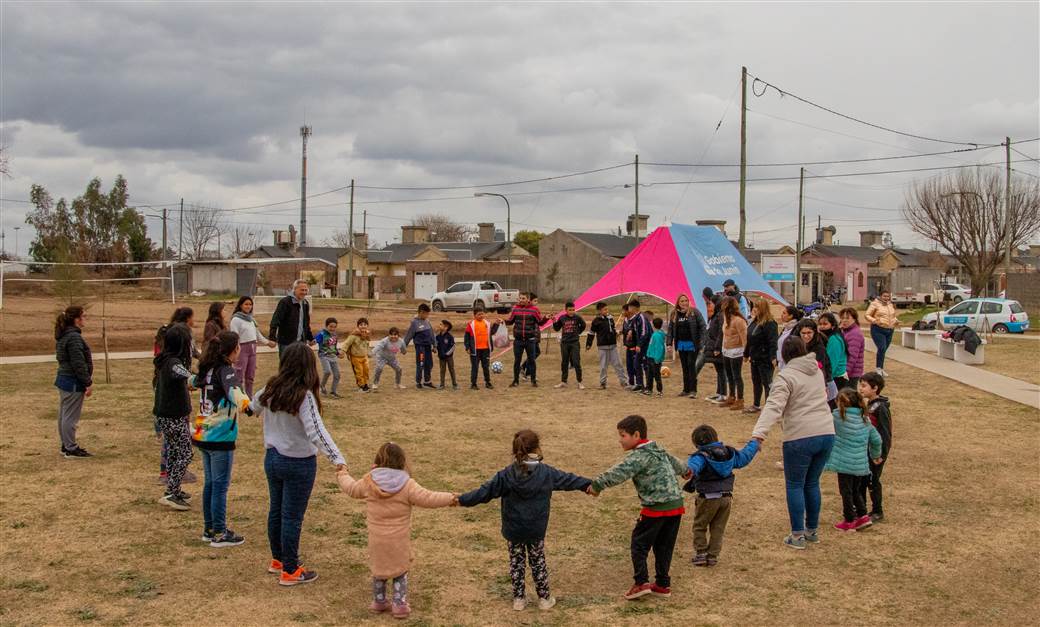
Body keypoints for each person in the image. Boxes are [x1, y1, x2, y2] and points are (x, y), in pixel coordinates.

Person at [458, 429, 591, 611]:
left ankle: (519, 599)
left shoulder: (505, 475)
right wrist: (589, 484)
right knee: (538, 561)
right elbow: (568, 479)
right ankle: (544, 599)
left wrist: (460, 499)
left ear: (515, 451)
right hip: (536, 529)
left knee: (516, 562)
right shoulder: (546, 473)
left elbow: (483, 493)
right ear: (537, 448)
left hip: (514, 529)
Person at [255, 342, 346, 586]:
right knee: (291, 516)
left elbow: (253, 406)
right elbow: (316, 430)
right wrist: (337, 458)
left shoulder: (271, 388)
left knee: (276, 510)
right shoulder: (304, 396)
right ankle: (291, 569)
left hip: (272, 459)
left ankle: (278, 560)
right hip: (298, 464)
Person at [337, 443, 455, 619]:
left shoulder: (369, 481)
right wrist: (451, 498)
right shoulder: (407, 484)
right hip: (399, 540)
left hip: (376, 539)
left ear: (378, 460)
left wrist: (342, 473)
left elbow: (351, 488)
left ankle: (379, 600)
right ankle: (399, 604)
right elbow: (428, 497)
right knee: (400, 571)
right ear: (402, 462)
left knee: (379, 569)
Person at [588, 415, 690, 601]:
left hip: (655, 507)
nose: (620, 439)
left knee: (639, 544)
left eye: (623, 435)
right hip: (676, 506)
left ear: (636, 435)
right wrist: (686, 471)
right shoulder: (658, 449)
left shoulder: (638, 456)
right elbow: (677, 463)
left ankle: (641, 582)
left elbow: (619, 472)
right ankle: (662, 584)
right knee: (664, 546)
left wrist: (597, 485)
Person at [751, 336, 836, 549]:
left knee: (795, 484)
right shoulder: (817, 371)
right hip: (826, 432)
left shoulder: (785, 377)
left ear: (784, 355)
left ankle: (797, 535)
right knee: (812, 482)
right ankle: (812, 530)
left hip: (800, 435)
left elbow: (773, 406)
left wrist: (759, 434)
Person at [192, 330, 252, 547]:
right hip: (220, 437)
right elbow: (234, 391)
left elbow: (194, 382)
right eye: (238, 346)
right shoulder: (225, 370)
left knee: (210, 483)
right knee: (220, 485)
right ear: (232, 349)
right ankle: (219, 531)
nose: (240, 350)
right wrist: (249, 407)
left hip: (203, 433)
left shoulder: (207, 369)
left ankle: (208, 529)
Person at [684, 424, 759, 566]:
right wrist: (754, 444)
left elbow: (693, 466)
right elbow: (744, 457)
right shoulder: (729, 454)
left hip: (707, 498)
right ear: (716, 438)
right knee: (718, 527)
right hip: (726, 497)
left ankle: (701, 553)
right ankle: (712, 556)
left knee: (700, 526)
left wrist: (688, 471)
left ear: (696, 443)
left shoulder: (701, 456)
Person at [825, 388, 882, 532]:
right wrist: (875, 455)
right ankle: (863, 515)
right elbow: (876, 440)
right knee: (856, 490)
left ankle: (849, 520)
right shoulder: (865, 419)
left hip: (844, 464)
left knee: (846, 492)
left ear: (840, 403)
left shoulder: (837, 418)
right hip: (860, 464)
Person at [153, 323, 195, 511]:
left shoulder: (167, 359)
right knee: (185, 452)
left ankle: (174, 489)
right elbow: (182, 374)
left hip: (167, 415)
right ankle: (171, 491)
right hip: (173, 417)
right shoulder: (173, 363)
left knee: (174, 452)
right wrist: (196, 379)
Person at [54, 305, 94, 458]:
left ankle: (66, 445)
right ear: (76, 319)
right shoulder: (74, 337)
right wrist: (87, 382)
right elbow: (78, 363)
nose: (85, 320)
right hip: (72, 381)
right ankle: (70, 447)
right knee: (70, 417)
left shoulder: (65, 335)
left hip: (65, 379)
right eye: (84, 316)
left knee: (64, 415)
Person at [857, 372, 892, 522]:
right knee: (863, 479)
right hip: (866, 450)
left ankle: (877, 510)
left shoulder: (880, 408)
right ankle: (862, 509)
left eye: (864, 386)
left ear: (875, 388)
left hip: (876, 452)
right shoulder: (869, 405)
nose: (860, 389)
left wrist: (881, 454)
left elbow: (885, 433)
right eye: (860, 385)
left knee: (873, 480)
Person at [229, 296, 276, 396]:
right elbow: (234, 335)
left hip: (253, 348)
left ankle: (249, 397)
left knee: (250, 376)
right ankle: (239, 397)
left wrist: (268, 342)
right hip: (241, 348)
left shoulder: (251, 319)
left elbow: (257, 334)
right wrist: (235, 350)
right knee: (239, 374)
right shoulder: (236, 319)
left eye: (250, 304)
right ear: (241, 305)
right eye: (246, 304)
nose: (248, 306)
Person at [504, 293, 550, 388]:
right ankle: (515, 381)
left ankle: (533, 381)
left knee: (532, 360)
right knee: (517, 361)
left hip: (530, 340)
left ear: (528, 299)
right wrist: (503, 321)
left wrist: (546, 318)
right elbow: (510, 321)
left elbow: (540, 323)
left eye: (523, 298)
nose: (521, 300)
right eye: (520, 298)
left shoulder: (534, 310)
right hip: (518, 340)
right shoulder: (515, 309)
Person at [667, 294, 707, 398]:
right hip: (681, 344)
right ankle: (686, 389)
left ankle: (693, 390)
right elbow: (670, 329)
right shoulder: (674, 314)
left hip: (692, 344)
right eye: (682, 301)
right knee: (684, 367)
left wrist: (702, 342)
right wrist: (669, 343)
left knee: (691, 366)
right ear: (678, 303)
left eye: (686, 300)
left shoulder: (694, 312)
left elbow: (703, 327)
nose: (684, 303)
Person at [744, 298, 778, 414]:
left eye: (757, 307)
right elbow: (750, 339)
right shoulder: (754, 322)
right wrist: (746, 354)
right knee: (756, 382)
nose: (754, 309)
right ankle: (756, 404)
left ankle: (769, 407)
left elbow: (773, 342)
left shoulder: (770, 323)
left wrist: (773, 357)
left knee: (767, 383)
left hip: (765, 359)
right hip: (755, 357)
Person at [586, 301, 629, 390]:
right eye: (605, 309)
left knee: (618, 364)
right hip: (602, 347)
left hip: (613, 346)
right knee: (603, 366)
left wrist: (615, 333)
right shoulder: (596, 321)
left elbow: (612, 329)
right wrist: (588, 344)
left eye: (607, 309)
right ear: (599, 311)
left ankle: (624, 382)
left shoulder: (610, 318)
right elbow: (591, 333)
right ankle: (603, 383)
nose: (607, 311)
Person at [796, 319, 837, 408]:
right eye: (803, 333)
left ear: (814, 332)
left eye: (809, 333)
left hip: (823, 384)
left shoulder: (819, 348)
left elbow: (821, 369)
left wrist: (824, 386)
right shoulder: (799, 346)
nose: (806, 336)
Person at [269, 279, 314, 355]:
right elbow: (275, 320)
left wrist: (310, 338)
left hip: (301, 342)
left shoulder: (305, 303)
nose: (304, 292)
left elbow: (306, 323)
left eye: (306, 290)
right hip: (286, 342)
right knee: (287, 365)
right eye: (302, 290)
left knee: (300, 365)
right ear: (295, 289)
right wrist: (272, 338)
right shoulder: (285, 302)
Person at [720, 297, 748, 411]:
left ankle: (740, 399)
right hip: (726, 350)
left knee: (737, 376)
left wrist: (746, 353)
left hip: (736, 351)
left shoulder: (739, 320)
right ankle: (731, 396)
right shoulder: (726, 319)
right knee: (729, 375)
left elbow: (744, 338)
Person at [553, 301, 587, 389]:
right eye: (570, 310)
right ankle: (563, 381)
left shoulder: (577, 317)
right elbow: (557, 328)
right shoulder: (562, 318)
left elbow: (583, 325)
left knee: (576, 362)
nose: (572, 311)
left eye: (573, 310)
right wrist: (554, 321)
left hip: (574, 343)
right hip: (564, 343)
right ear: (566, 310)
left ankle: (580, 382)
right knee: (564, 362)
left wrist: (578, 332)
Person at [865, 289, 898, 376]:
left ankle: (881, 368)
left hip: (890, 330)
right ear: (880, 296)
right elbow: (867, 315)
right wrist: (874, 320)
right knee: (882, 348)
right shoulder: (875, 304)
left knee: (883, 350)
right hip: (878, 329)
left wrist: (896, 321)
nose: (886, 298)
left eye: (888, 296)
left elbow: (893, 316)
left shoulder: (890, 305)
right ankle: (878, 368)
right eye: (884, 296)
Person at [463, 307, 498, 390]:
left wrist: (496, 324)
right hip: (475, 350)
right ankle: (473, 384)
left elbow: (492, 332)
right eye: (479, 314)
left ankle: (488, 382)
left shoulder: (487, 323)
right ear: (474, 315)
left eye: (482, 314)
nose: (481, 315)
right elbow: (466, 337)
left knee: (486, 366)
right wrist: (467, 347)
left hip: (485, 349)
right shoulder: (471, 324)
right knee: (475, 367)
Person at [403, 304, 435, 389]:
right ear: (421, 312)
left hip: (428, 347)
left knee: (429, 364)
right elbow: (408, 335)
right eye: (426, 314)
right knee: (421, 364)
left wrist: (434, 345)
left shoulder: (427, 321)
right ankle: (418, 382)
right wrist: (403, 346)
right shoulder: (414, 323)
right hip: (420, 347)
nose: (427, 316)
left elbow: (431, 334)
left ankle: (427, 381)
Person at [703, 295, 727, 404]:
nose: (709, 305)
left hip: (719, 348)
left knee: (722, 371)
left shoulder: (720, 316)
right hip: (713, 346)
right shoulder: (714, 316)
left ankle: (723, 394)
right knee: (719, 371)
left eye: (711, 303)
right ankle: (719, 392)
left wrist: (717, 347)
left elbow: (721, 333)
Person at [313, 317, 345, 397]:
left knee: (337, 375)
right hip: (324, 356)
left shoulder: (335, 335)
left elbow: (333, 347)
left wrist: (338, 354)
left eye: (334, 327)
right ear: (326, 326)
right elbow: (314, 341)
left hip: (333, 356)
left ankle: (333, 392)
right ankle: (322, 386)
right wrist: (311, 342)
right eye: (331, 326)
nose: (332, 328)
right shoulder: (322, 334)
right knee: (327, 371)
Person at [817, 313, 849, 390]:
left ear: (832, 326)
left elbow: (831, 363)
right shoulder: (825, 338)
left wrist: (825, 380)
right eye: (820, 324)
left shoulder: (834, 340)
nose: (822, 326)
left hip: (836, 379)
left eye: (825, 324)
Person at [626, 300, 651, 393]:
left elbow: (645, 333)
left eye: (629, 307)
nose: (628, 309)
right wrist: (630, 331)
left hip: (646, 345)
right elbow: (632, 326)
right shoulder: (636, 318)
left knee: (646, 365)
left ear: (634, 307)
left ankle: (649, 386)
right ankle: (640, 384)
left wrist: (639, 345)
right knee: (636, 363)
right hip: (640, 345)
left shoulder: (642, 317)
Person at [341, 318, 372, 393]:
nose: (363, 326)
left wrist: (369, 353)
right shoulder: (353, 335)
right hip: (355, 358)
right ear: (358, 326)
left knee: (366, 370)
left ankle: (365, 384)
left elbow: (367, 345)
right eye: (361, 325)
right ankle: (361, 386)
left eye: (365, 324)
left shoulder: (367, 335)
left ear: (367, 326)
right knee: (359, 372)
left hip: (364, 357)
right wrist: (343, 351)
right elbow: (346, 343)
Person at [839, 308, 865, 388]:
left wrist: (845, 372)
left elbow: (852, 356)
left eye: (847, 318)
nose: (844, 320)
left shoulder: (855, 334)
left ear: (854, 319)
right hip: (846, 371)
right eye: (842, 318)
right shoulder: (845, 331)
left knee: (848, 397)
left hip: (851, 373)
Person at [521, 295, 544, 380]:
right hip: (531, 337)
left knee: (535, 354)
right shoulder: (530, 311)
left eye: (537, 301)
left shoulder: (535, 311)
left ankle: (527, 373)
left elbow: (540, 323)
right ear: (529, 301)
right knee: (533, 355)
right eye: (535, 301)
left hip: (535, 336)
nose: (536, 303)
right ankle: (524, 369)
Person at [644, 318, 666, 397]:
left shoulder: (657, 335)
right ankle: (649, 389)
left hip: (655, 359)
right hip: (650, 357)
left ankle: (659, 391)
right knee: (649, 374)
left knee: (657, 375)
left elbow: (659, 348)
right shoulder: (656, 334)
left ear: (653, 325)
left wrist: (657, 359)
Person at [435, 320, 458, 390]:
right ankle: (442, 384)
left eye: (441, 324)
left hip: (449, 357)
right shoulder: (438, 336)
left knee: (451, 369)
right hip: (441, 357)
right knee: (442, 370)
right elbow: (435, 345)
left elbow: (453, 346)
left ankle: (454, 384)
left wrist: (447, 353)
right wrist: (434, 349)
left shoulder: (450, 337)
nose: (439, 326)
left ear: (446, 327)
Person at [621, 303, 639, 388]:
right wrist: (620, 332)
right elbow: (625, 331)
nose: (622, 312)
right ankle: (631, 382)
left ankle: (637, 383)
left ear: (628, 311)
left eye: (624, 310)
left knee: (635, 365)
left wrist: (632, 332)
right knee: (629, 365)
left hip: (634, 346)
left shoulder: (635, 319)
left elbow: (638, 332)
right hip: (628, 346)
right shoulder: (625, 320)